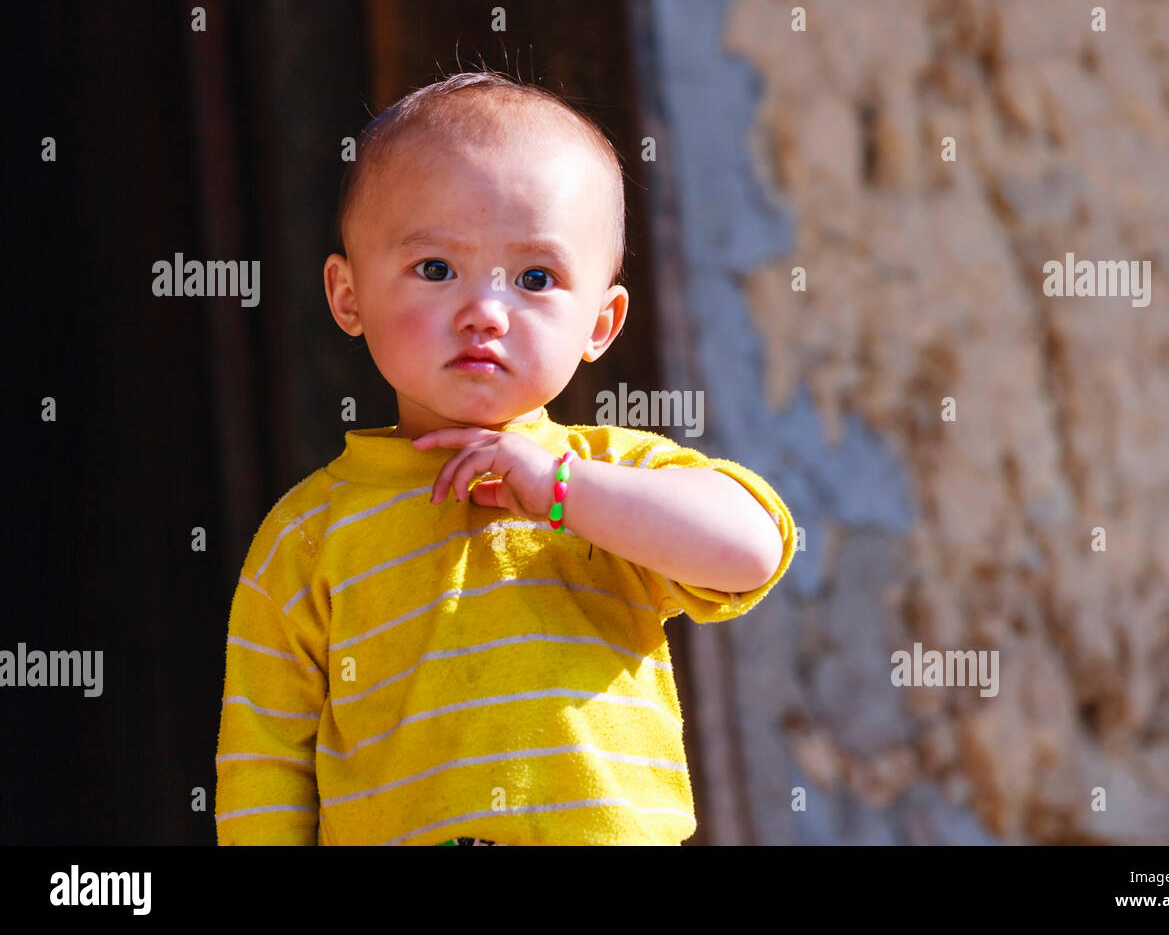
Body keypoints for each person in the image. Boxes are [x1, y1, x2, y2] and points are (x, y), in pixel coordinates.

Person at [214, 70, 797, 845]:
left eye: (534, 278)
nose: (484, 312)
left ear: (601, 321)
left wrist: (562, 489)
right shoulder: (307, 537)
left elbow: (751, 549)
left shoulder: (605, 477)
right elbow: (263, 763)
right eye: (435, 269)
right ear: (347, 295)